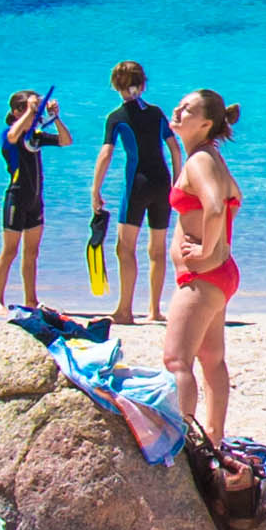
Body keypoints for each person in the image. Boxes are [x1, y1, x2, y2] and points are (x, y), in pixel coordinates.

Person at [161, 86, 244, 444]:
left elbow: (213, 207)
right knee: (211, 359)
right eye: (179, 105)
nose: (178, 111)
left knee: (177, 360)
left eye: (188, 109)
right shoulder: (209, 157)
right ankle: (213, 436)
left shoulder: (199, 161)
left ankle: (182, 440)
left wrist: (205, 250)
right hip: (217, 273)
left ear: (206, 123)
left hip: (204, 274)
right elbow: (227, 203)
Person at [90, 59, 174, 327]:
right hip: (163, 183)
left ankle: (125, 310)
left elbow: (106, 155)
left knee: (125, 248)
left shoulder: (116, 118)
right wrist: (179, 179)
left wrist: (95, 189)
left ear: (116, 85)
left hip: (137, 185)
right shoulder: (157, 113)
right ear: (143, 84)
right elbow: (174, 148)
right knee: (157, 249)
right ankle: (154, 311)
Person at [0, 86, 64, 315]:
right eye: (28, 109)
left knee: (32, 253)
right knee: (10, 251)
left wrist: (55, 117)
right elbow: (13, 135)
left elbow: (65, 140)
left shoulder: (35, 136)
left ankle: (31, 300)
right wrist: (29, 112)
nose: (34, 113)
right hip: (16, 197)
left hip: (35, 199)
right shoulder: (9, 134)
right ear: (16, 112)